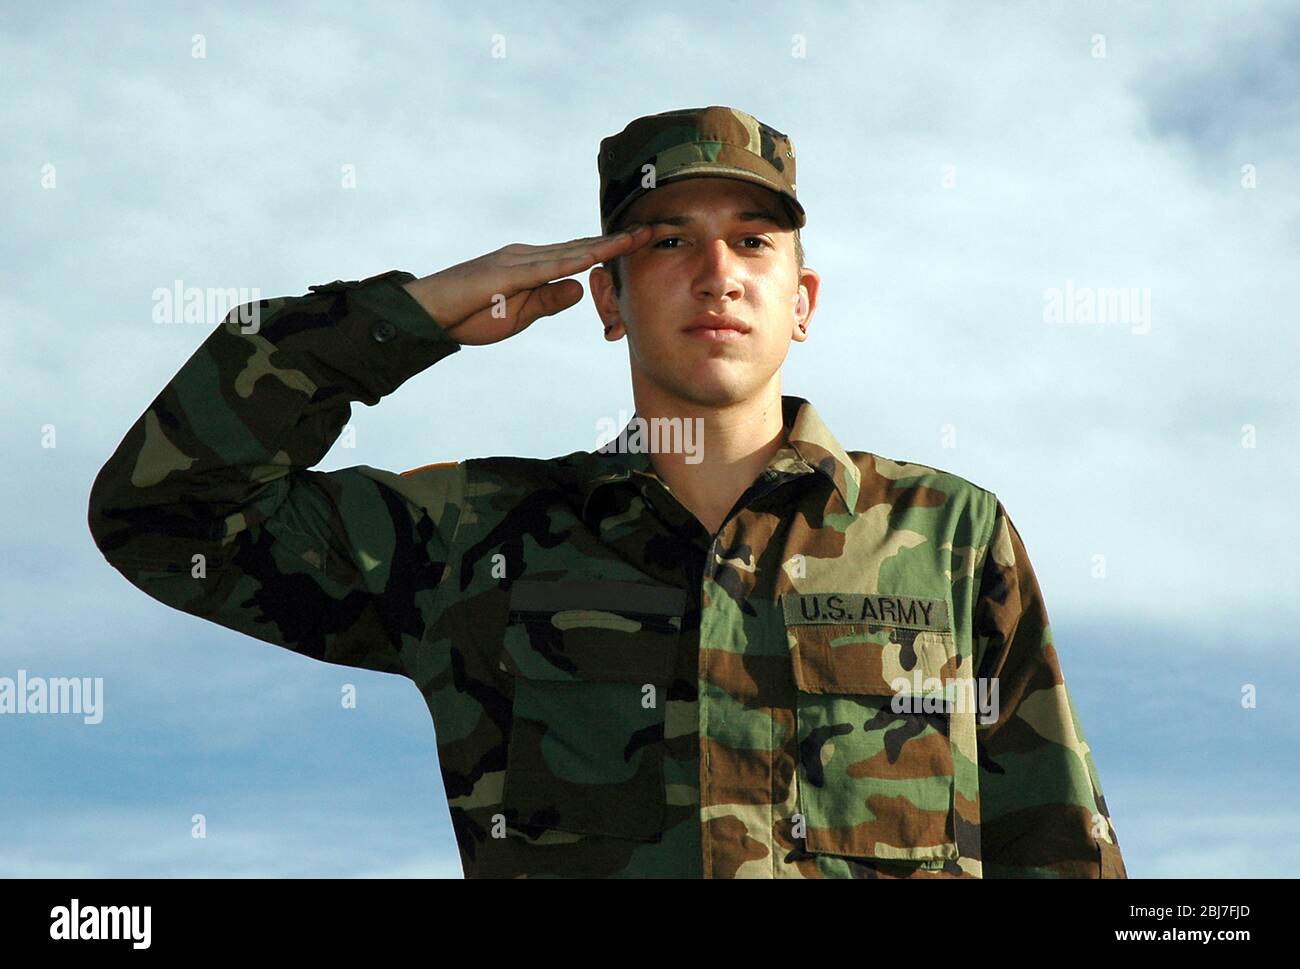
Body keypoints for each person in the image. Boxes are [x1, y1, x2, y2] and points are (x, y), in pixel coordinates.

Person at [87, 105, 1127, 878]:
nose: (716, 271)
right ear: (608, 298)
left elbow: (1058, 844)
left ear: (799, 302)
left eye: (753, 241)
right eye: (668, 239)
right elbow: (167, 515)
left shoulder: (945, 533)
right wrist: (409, 315)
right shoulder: (474, 537)